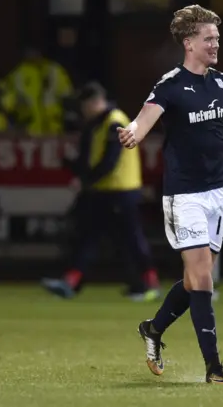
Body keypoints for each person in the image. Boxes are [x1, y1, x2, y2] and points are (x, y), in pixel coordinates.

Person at [117, 5, 223, 385]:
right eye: (209, 38)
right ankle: (214, 368)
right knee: (203, 280)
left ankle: (153, 328)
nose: (216, 44)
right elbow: (146, 116)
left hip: (219, 193)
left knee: (192, 281)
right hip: (184, 196)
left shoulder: (222, 83)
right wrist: (133, 130)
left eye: (217, 37)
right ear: (189, 43)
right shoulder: (170, 84)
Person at [41, 81, 161, 301]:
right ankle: (71, 282)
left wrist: (86, 179)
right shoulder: (99, 123)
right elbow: (93, 159)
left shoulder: (114, 122)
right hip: (105, 190)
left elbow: (109, 161)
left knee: (128, 239)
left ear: (95, 102)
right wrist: (73, 166)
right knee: (91, 237)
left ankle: (149, 283)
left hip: (120, 190)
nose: (83, 111)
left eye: (85, 106)